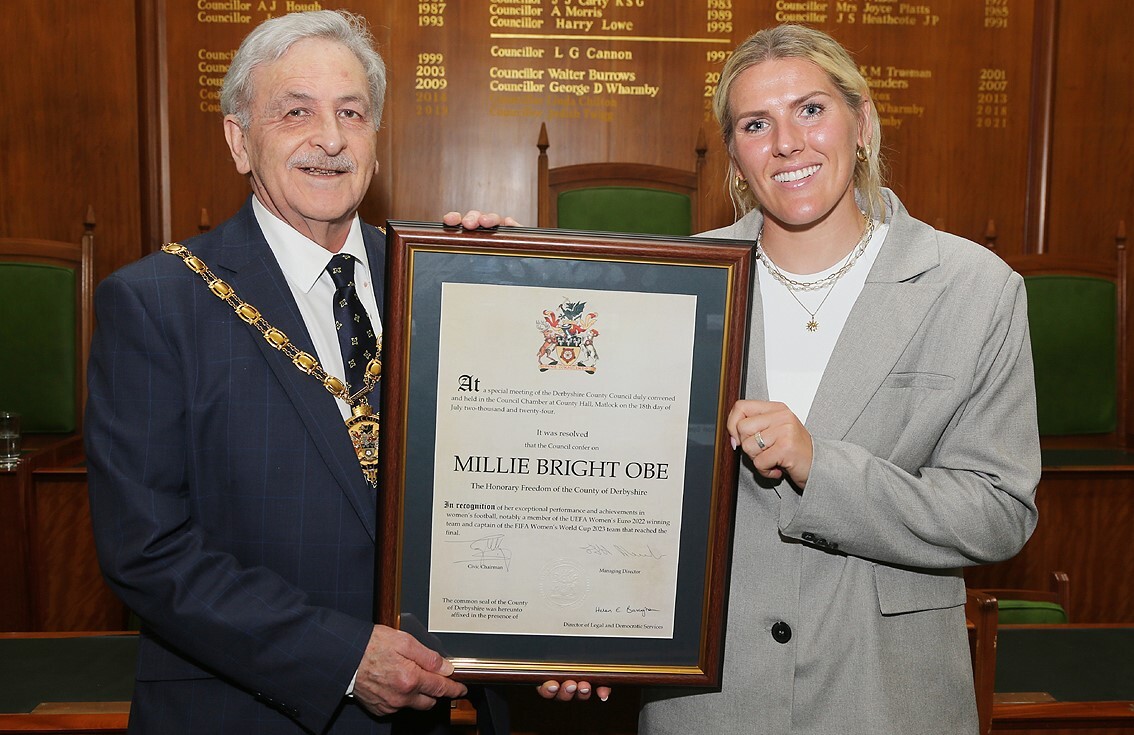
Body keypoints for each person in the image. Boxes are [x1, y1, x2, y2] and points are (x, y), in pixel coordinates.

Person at [541, 23, 1041, 734]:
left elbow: (999, 511)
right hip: (710, 702)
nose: (787, 143)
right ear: (737, 157)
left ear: (861, 122)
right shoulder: (674, 285)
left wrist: (821, 467)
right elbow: (606, 478)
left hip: (886, 696)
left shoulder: (973, 289)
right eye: (755, 123)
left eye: (811, 109)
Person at [86, 10, 515, 734]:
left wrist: (510, 289)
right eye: (296, 112)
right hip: (242, 713)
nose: (331, 138)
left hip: (435, 716)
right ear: (239, 140)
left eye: (352, 112)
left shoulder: (446, 284)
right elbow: (147, 550)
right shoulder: (156, 302)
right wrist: (344, 657)